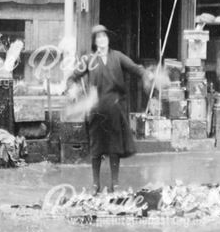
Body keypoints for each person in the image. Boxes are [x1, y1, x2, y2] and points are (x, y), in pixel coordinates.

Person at [67, 25, 161, 193]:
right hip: (96, 110)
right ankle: (96, 184)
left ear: (108, 39)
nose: (102, 40)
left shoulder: (117, 57)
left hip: (114, 109)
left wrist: (147, 74)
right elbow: (73, 77)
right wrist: (73, 90)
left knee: (114, 148)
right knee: (96, 149)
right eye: (98, 37)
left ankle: (115, 184)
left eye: (104, 36)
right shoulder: (88, 60)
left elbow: (134, 68)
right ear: (95, 42)